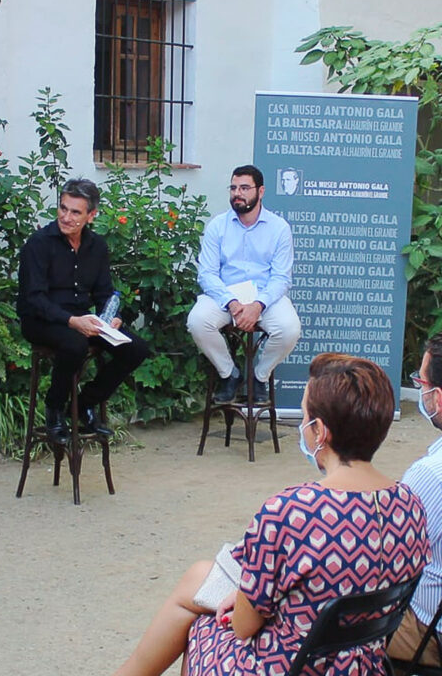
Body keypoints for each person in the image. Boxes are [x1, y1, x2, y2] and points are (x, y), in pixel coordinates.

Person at [112, 353, 429, 676]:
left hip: (285, 667)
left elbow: (243, 627)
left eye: (305, 416)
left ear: (319, 431)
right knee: (200, 579)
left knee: (201, 624)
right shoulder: (410, 505)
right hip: (360, 665)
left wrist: (246, 600)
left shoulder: (291, 510)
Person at [17, 178, 150, 443]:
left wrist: (112, 317)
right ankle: (54, 410)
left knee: (136, 348)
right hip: (42, 319)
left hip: (83, 319)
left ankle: (85, 404)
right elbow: (33, 299)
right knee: (75, 344)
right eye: (63, 208)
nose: (66, 217)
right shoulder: (39, 244)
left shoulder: (96, 246)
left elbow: (104, 293)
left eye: (75, 212)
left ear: (91, 215)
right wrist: (72, 321)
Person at [187, 164, 301, 403]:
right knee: (197, 321)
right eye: (233, 188)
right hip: (225, 295)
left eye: (245, 188)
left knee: (289, 329)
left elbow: (281, 278)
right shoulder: (218, 226)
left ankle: (258, 377)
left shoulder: (279, 228)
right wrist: (231, 302)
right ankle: (230, 374)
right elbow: (206, 273)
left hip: (264, 296)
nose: (237, 193)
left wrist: (258, 305)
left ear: (261, 192)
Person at [388, 334, 442, 668]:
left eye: (421, 382)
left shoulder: (431, 474)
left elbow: (386, 560)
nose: (420, 391)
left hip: (428, 630)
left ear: (438, 396)